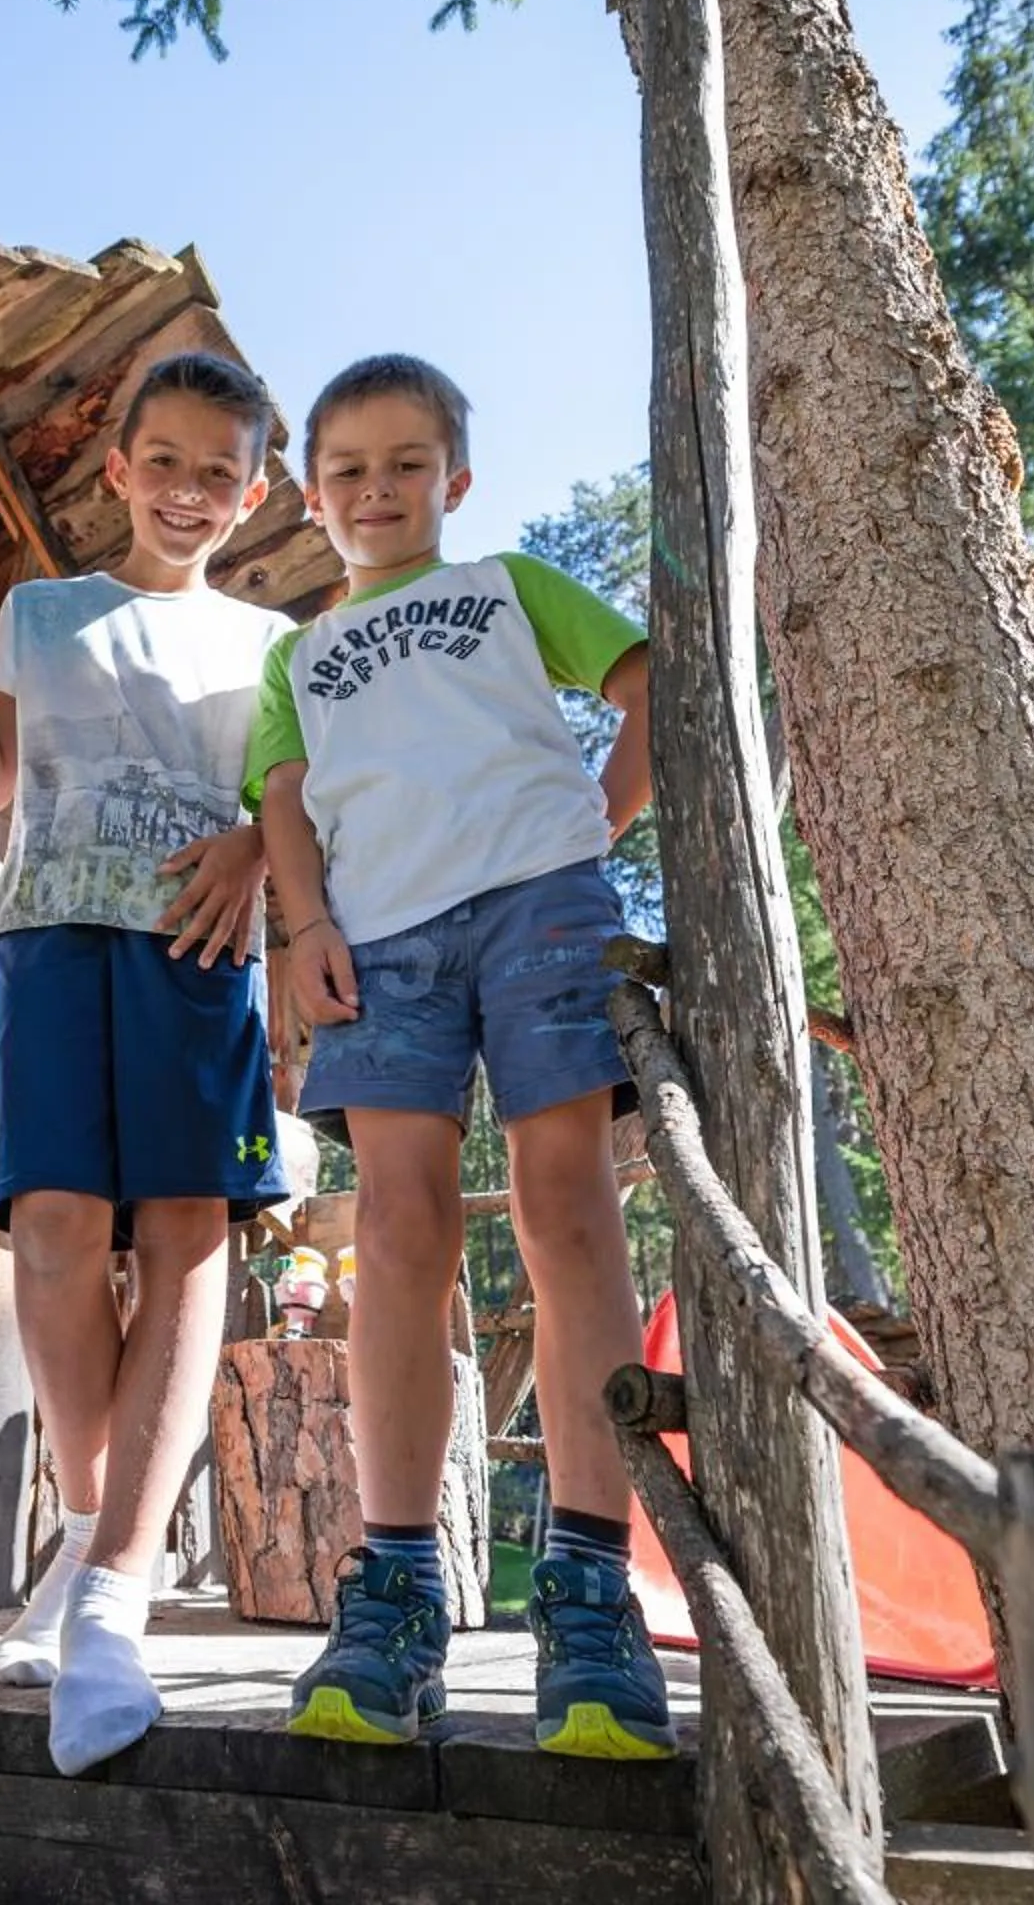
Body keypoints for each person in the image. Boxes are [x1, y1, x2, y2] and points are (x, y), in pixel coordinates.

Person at [246, 352, 674, 1760]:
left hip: (543, 907)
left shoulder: (505, 589)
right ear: (314, 498)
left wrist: (597, 823)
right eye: (350, 470)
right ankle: (400, 1581)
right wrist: (302, 925)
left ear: (456, 480)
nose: (378, 489)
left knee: (567, 1211)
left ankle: (589, 1587)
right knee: (399, 1228)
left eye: (406, 464)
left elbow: (647, 678)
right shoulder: (296, 655)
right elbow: (287, 804)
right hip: (381, 943)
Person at [0, 349, 291, 1775]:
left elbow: (287, 804)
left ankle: (108, 1593)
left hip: (196, 948)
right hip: (50, 938)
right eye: (162, 460)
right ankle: (97, 1537)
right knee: (52, 1228)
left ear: (251, 495)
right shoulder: (42, 613)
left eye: (217, 473)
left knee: (183, 1233)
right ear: (117, 468)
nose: (187, 491)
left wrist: (249, 847)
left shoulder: (271, 644)